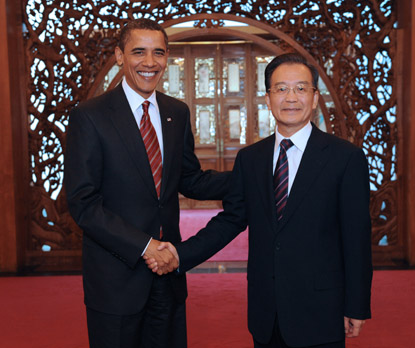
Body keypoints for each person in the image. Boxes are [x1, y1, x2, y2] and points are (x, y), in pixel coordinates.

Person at [151, 53, 373, 348]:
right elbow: (231, 220)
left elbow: (356, 238)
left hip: (321, 309)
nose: (290, 97)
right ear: (268, 98)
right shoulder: (251, 159)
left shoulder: (345, 158)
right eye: (281, 89)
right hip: (266, 311)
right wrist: (180, 254)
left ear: (315, 97)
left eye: (300, 88)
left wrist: (356, 305)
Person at [64, 18, 229, 348]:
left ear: (167, 57)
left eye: (159, 53)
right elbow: (83, 202)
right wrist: (145, 245)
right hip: (116, 278)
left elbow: (190, 180)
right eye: (138, 52)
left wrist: (251, 174)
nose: (149, 62)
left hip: (168, 274)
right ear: (119, 56)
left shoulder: (176, 112)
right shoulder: (90, 115)